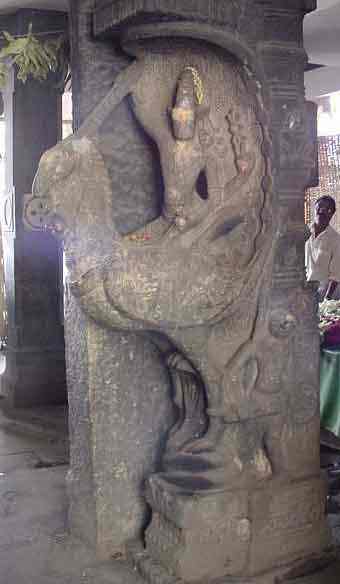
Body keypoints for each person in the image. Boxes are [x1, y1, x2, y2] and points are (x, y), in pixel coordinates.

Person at [306, 195, 340, 301]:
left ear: (332, 214)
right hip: (302, 289)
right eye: (319, 207)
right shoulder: (303, 232)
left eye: (327, 210)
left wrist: (327, 300)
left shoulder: (335, 239)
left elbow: (336, 275)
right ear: (314, 208)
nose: (322, 212)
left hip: (322, 293)